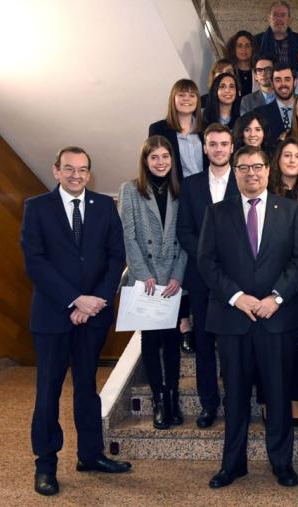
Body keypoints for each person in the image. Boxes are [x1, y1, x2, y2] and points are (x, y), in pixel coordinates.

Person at [198, 145, 298, 489]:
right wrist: (237, 297)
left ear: (268, 170)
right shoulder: (216, 212)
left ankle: (282, 464)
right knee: (235, 397)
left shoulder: (290, 211)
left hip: (277, 320)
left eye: (257, 166)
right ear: (235, 172)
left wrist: (275, 297)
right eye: (244, 167)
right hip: (233, 320)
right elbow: (206, 262)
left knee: (278, 396)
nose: (251, 173)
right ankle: (233, 465)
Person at [21, 146, 130, 496]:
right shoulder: (37, 208)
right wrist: (74, 299)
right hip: (53, 316)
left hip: (92, 317)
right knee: (48, 392)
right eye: (69, 169)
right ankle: (46, 464)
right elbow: (35, 262)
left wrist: (94, 301)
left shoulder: (104, 207)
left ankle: (91, 455)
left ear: (90, 173)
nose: (76, 175)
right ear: (56, 171)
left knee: (87, 388)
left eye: (83, 170)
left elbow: (117, 257)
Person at [119, 135, 188, 428]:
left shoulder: (181, 191)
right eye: (154, 157)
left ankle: (173, 398)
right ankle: (158, 399)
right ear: (145, 161)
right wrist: (142, 273)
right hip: (144, 278)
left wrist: (177, 276)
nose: (160, 162)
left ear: (172, 160)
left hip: (172, 277)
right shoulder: (130, 190)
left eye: (165, 157)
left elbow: (185, 238)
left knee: (172, 341)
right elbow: (128, 236)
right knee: (150, 341)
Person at [177, 123, 240, 429]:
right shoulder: (190, 185)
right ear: (205, 148)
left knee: (230, 344)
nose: (218, 149)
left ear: (232, 147)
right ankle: (208, 404)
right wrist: (206, 258)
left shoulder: (243, 182)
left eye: (223, 144)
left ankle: (233, 401)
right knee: (203, 343)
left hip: (234, 278)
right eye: (212, 144)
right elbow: (184, 231)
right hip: (201, 277)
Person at [268, 138, 298, 426]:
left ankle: (295, 401)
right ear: (278, 160)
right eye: (287, 155)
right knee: (268, 346)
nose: (293, 160)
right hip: (268, 280)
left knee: (295, 347)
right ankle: (268, 402)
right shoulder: (266, 191)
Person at [148, 78, 206, 183]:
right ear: (173, 99)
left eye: (192, 95)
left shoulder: (207, 128)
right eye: (181, 95)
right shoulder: (158, 129)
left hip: (205, 189)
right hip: (175, 192)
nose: (187, 99)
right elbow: (155, 165)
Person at [254, 1, 298, 68]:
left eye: (283, 15)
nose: (279, 19)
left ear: (289, 20)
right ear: (269, 19)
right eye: (275, 15)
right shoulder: (255, 41)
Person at [255, 63, 296, 144]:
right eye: (278, 80)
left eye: (287, 79)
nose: (283, 84)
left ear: (295, 82)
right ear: (272, 84)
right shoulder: (260, 113)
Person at [225, 30, 254, 96]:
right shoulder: (228, 71)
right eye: (240, 46)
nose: (244, 49)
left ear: (253, 48)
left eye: (247, 45)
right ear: (234, 49)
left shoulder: (259, 71)